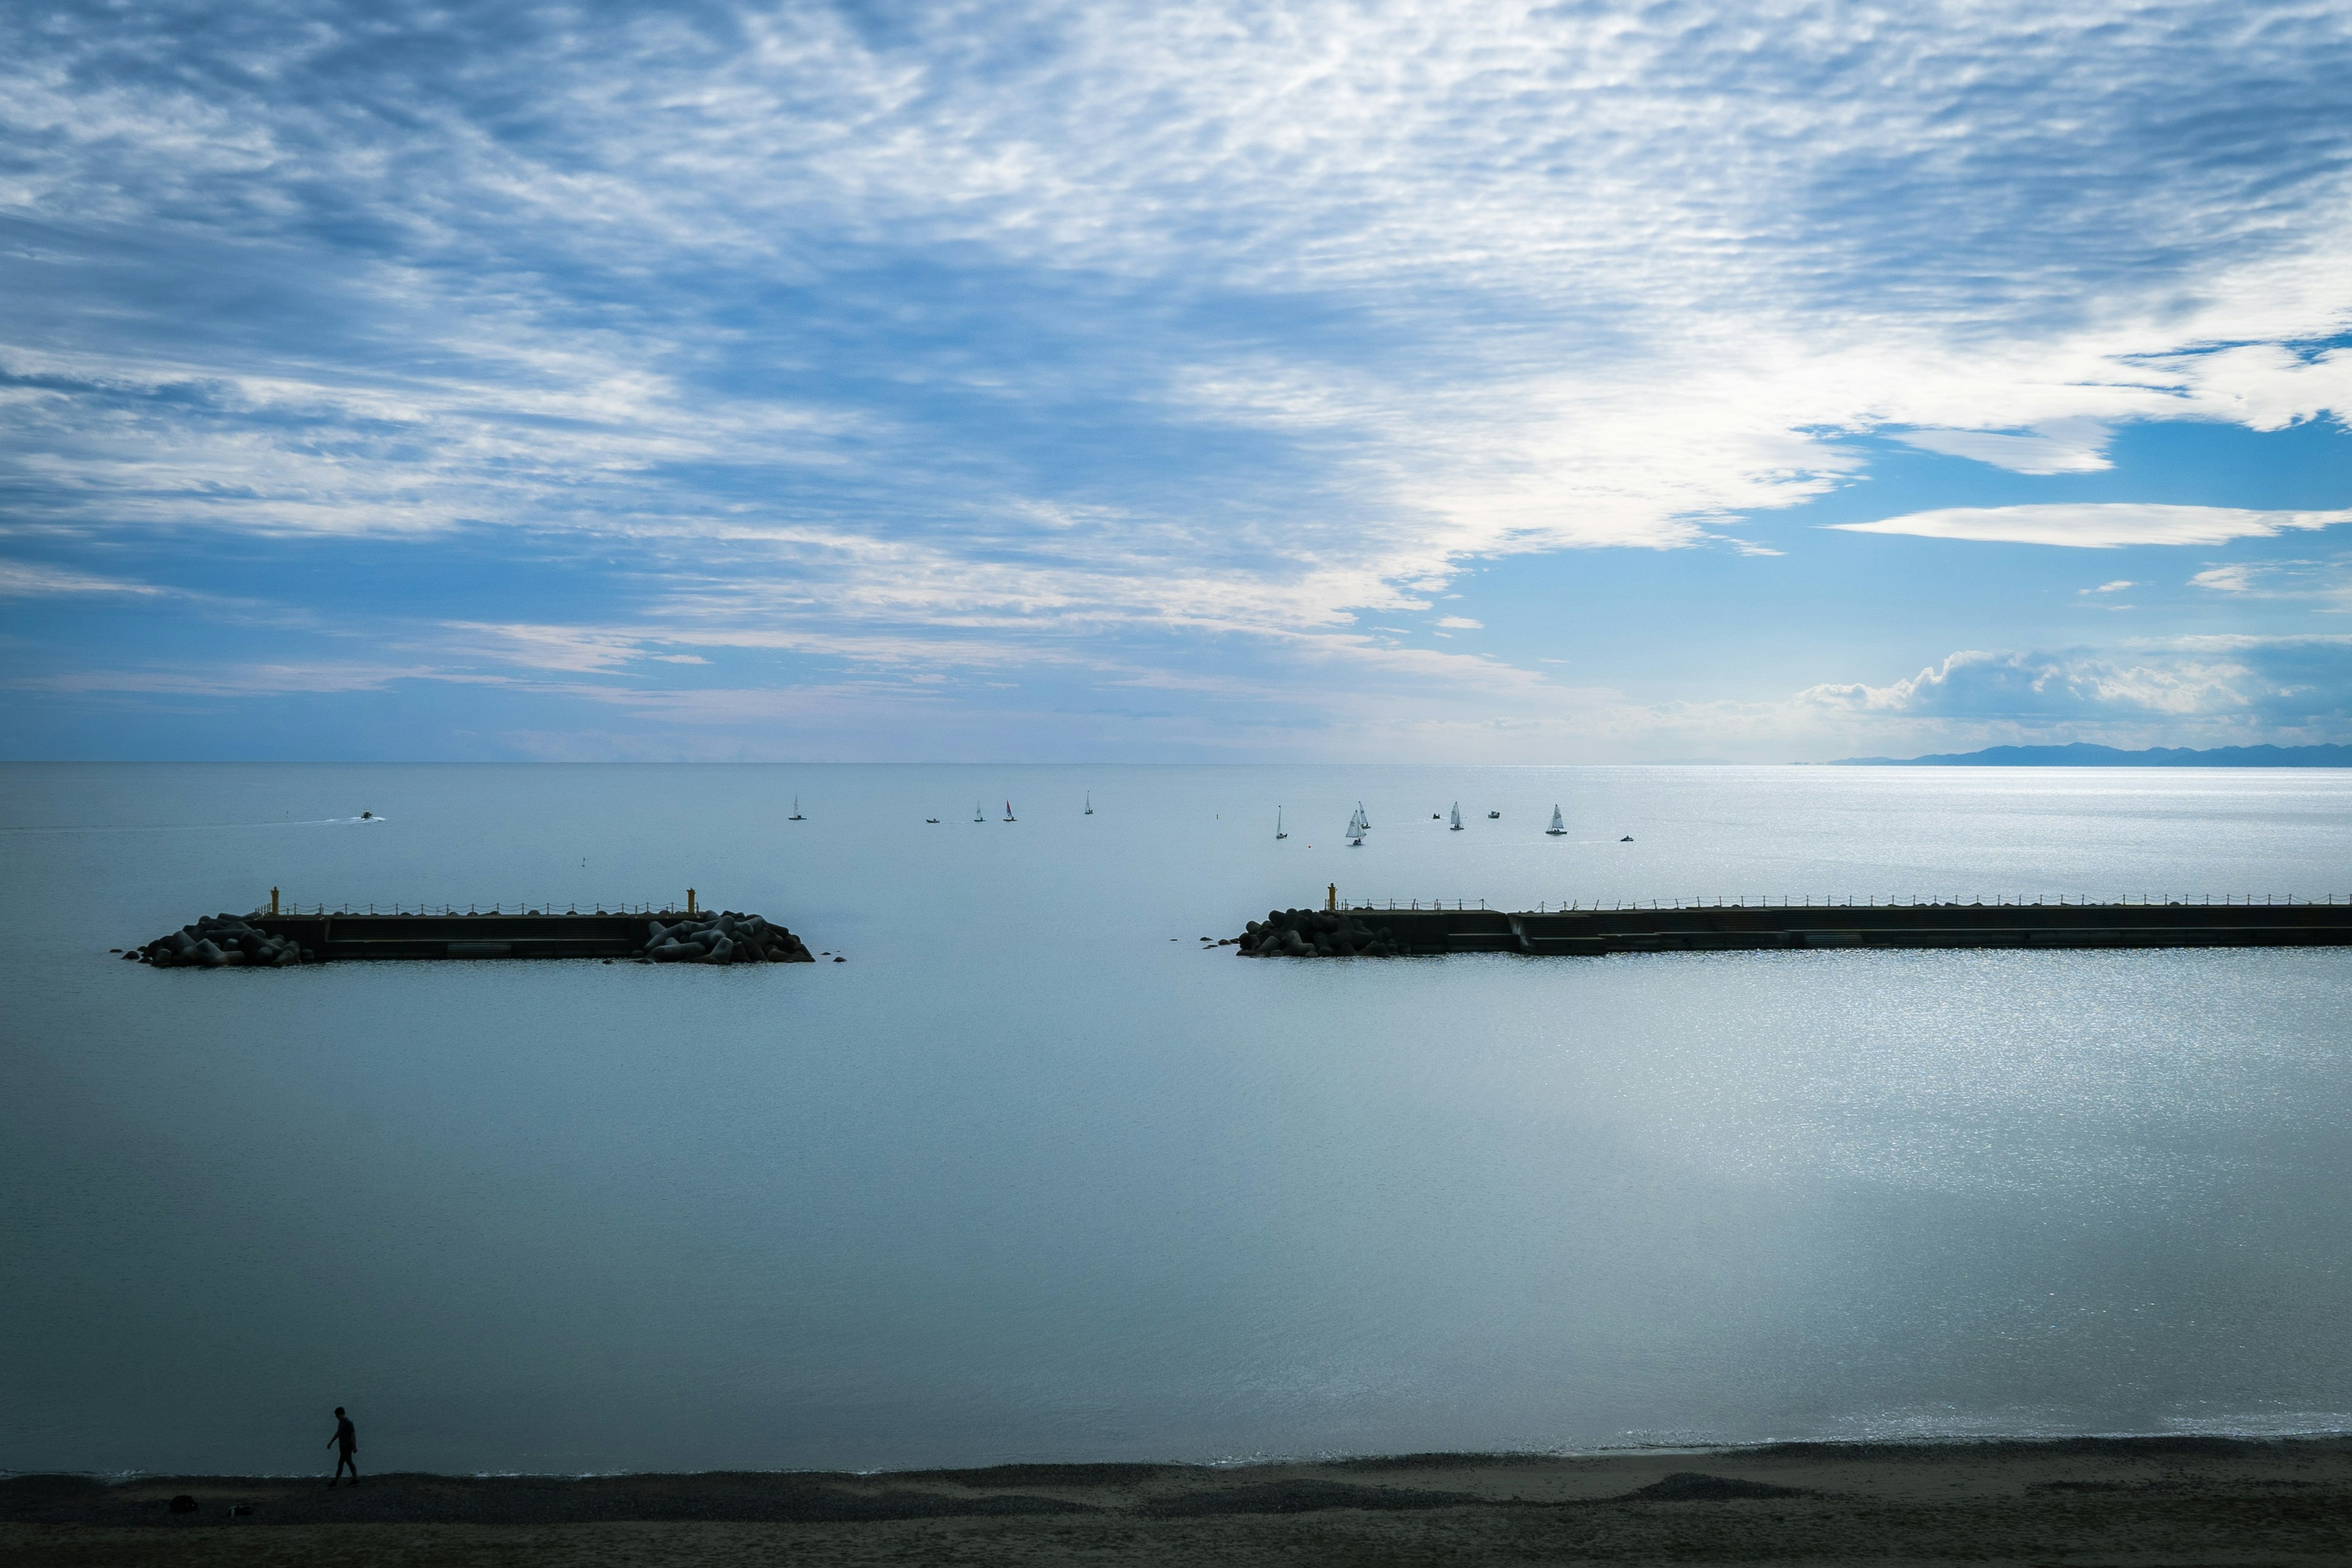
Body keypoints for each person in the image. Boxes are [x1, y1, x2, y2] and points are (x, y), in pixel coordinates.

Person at [326, 1406, 358, 1487]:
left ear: (340, 1414)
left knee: (341, 1463)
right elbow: (338, 1433)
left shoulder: (349, 1423)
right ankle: (355, 1479)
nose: (336, 1417)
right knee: (348, 1462)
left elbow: (353, 1435)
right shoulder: (341, 1422)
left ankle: (335, 1482)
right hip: (342, 1446)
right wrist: (331, 1442)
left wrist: (354, 1446)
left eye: (337, 1415)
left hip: (347, 1446)